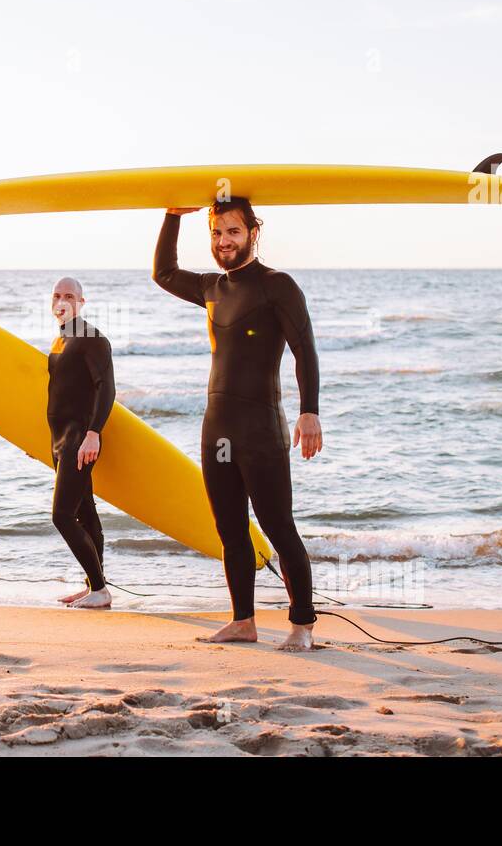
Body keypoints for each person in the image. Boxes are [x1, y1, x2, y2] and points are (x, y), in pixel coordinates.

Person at [152, 198, 323, 650]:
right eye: (215, 233)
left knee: (278, 526)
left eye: (232, 232)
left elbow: (304, 349)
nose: (223, 242)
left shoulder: (277, 286)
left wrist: (310, 411)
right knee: (229, 528)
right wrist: (172, 215)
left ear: (252, 232)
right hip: (217, 426)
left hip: (261, 426)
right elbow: (163, 273)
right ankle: (243, 621)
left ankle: (302, 625)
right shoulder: (211, 287)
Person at [46, 276, 116, 609]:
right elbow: (58, 397)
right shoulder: (59, 341)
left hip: (79, 439)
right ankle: (94, 587)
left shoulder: (92, 338)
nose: (62, 300)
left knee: (62, 515)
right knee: (86, 514)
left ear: (81, 302)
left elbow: (107, 389)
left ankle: (100, 588)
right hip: (60, 441)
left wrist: (94, 433)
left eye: (69, 296)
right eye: (57, 295)